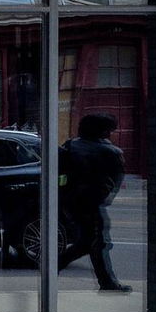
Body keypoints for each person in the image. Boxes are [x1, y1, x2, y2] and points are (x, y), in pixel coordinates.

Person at [57, 113, 131, 293]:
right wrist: (105, 198)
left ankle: (106, 282)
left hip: (72, 201)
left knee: (92, 242)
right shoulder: (111, 152)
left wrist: (63, 194)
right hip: (92, 202)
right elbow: (114, 182)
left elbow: (60, 175)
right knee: (95, 242)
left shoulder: (70, 146)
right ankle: (105, 282)